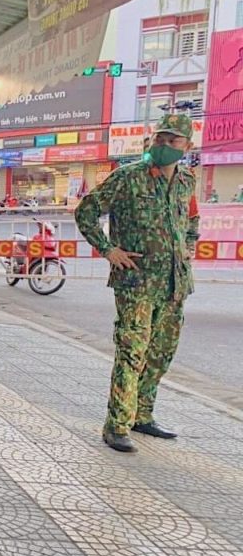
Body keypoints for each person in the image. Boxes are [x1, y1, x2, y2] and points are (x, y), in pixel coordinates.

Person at [74, 113, 200, 453]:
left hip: (174, 285)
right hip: (136, 284)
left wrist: (189, 245)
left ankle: (142, 415)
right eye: (160, 139)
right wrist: (108, 249)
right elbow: (85, 211)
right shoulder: (127, 177)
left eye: (172, 141)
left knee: (161, 354)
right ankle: (116, 425)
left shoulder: (187, 180)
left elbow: (191, 217)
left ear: (187, 146)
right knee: (132, 353)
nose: (164, 146)